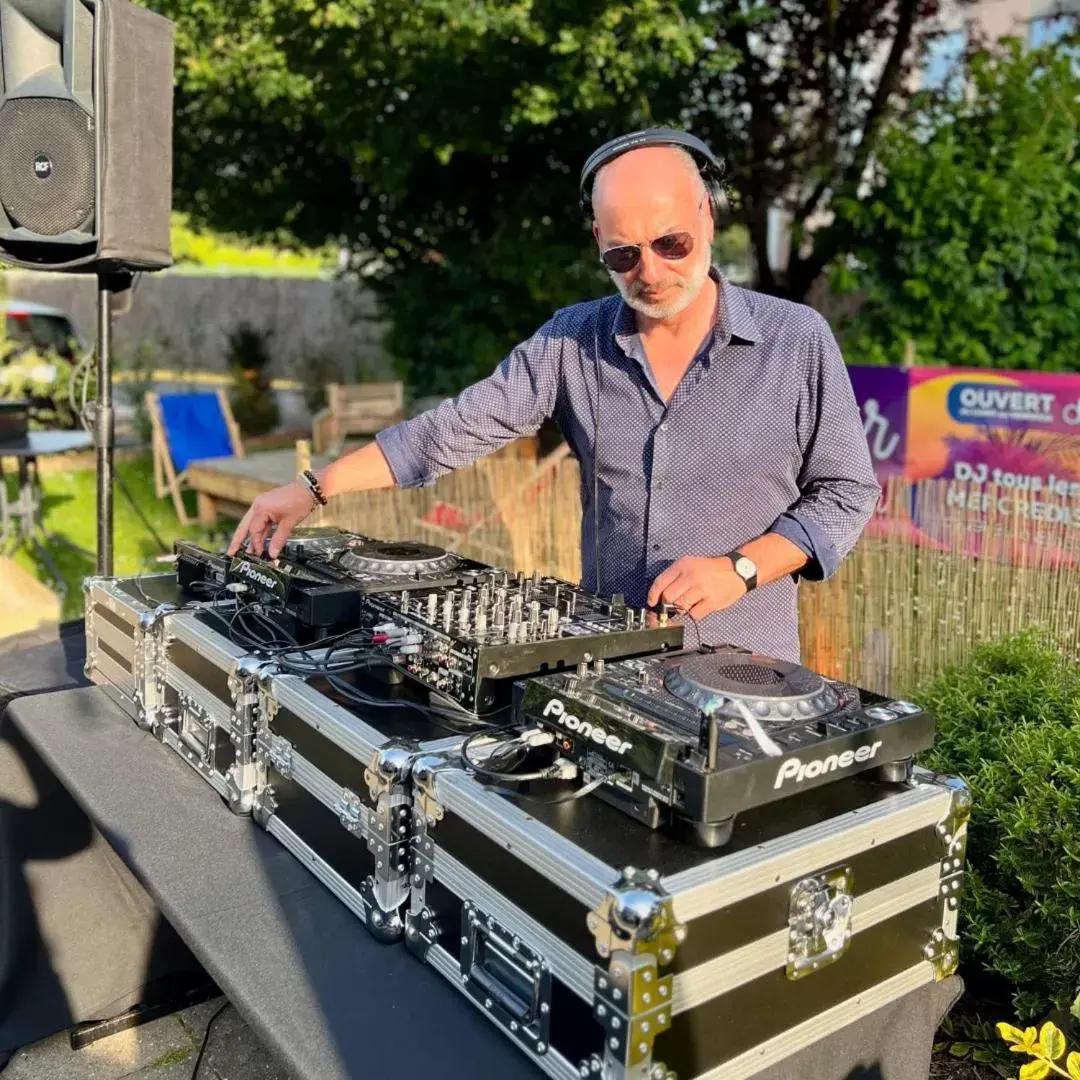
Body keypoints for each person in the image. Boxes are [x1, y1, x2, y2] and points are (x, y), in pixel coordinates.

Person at [228, 129, 880, 664]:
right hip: (605, 662)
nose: (649, 273)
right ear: (598, 242)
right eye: (623, 256)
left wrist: (737, 570)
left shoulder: (796, 340)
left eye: (670, 243)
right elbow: (452, 430)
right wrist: (314, 488)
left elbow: (846, 493)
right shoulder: (573, 340)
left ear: (706, 216)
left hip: (748, 675)